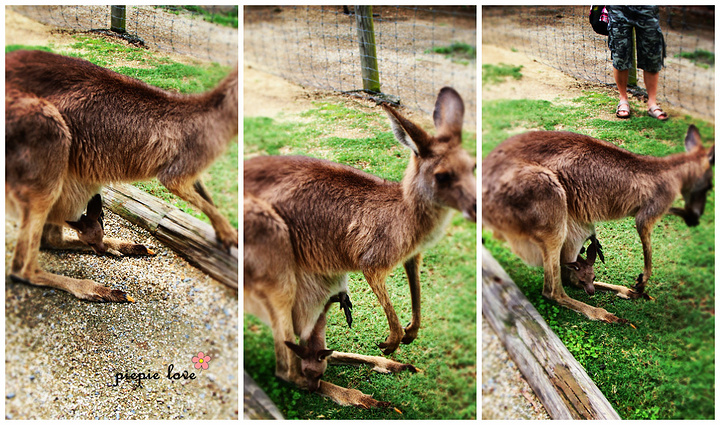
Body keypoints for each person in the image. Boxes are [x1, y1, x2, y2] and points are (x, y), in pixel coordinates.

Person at [607, 6, 667, 120]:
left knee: (652, 56)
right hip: (619, 8)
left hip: (647, 8)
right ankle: (623, 100)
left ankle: (652, 103)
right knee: (620, 55)